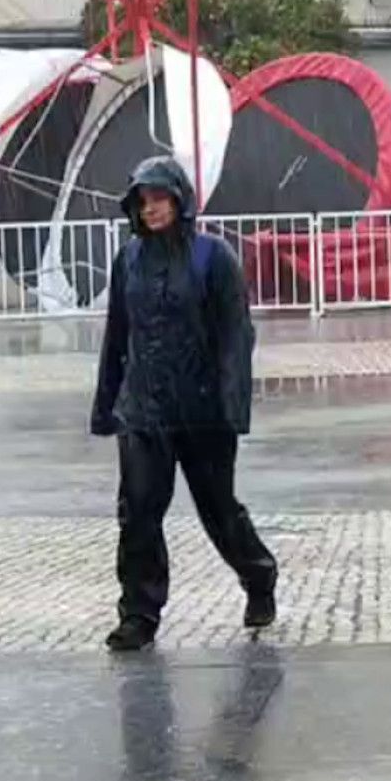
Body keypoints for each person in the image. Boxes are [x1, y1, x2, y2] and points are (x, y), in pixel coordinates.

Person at [90, 156, 278, 652]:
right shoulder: (128, 260)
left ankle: (258, 574)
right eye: (142, 200)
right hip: (143, 409)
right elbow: (117, 336)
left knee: (218, 510)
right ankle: (139, 613)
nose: (150, 208)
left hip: (203, 409)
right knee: (138, 514)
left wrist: (232, 406)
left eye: (159, 198)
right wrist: (107, 404)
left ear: (179, 200)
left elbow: (236, 336)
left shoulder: (213, 258)